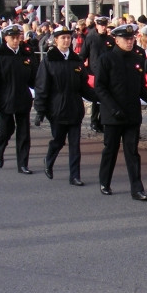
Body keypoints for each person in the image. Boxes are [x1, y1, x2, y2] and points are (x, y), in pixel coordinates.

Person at [95, 22, 147, 199]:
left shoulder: (137, 60)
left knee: (132, 151)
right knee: (111, 149)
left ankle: (137, 188)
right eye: (126, 39)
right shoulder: (106, 59)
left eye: (131, 38)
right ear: (116, 40)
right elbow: (100, 88)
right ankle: (104, 181)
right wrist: (113, 108)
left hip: (131, 114)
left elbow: (141, 88)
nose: (130, 42)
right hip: (113, 114)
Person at [34, 25, 97, 186]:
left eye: (69, 37)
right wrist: (40, 110)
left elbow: (84, 86)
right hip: (57, 108)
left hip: (74, 107)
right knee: (59, 140)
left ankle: (75, 175)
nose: (66, 40)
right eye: (63, 38)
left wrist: (99, 97)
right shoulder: (49, 60)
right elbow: (42, 87)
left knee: (75, 144)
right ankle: (49, 159)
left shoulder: (76, 61)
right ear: (56, 40)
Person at [0, 24, 37, 173]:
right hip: (5, 100)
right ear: (5, 38)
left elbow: (34, 78)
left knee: (23, 134)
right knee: (6, 130)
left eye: (18, 37)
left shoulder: (26, 56)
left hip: (22, 99)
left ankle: (22, 163)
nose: (16, 40)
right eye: (12, 37)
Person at [78, 15, 113, 132]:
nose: (103, 27)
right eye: (101, 25)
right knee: (96, 98)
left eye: (105, 25)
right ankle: (94, 121)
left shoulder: (110, 40)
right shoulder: (91, 38)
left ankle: (102, 121)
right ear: (97, 25)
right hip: (94, 73)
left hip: (107, 73)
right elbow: (83, 55)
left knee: (105, 97)